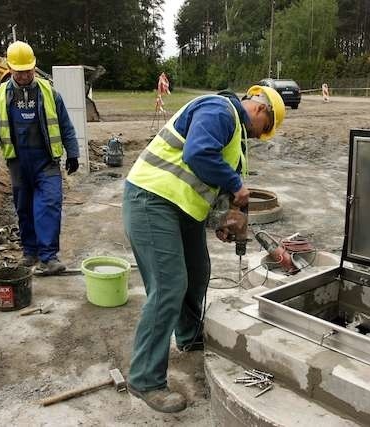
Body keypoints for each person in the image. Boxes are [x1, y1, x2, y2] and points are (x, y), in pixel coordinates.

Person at [122, 85, 285, 413]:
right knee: (169, 286)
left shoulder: (234, 135)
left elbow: (202, 182)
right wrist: (237, 186)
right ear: (261, 110)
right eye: (261, 132)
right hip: (151, 200)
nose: (256, 137)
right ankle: (144, 378)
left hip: (180, 209)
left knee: (198, 273)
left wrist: (221, 220)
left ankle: (190, 336)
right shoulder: (220, 109)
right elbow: (197, 154)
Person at [0, 41, 79, 275]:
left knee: (49, 205)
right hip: (18, 163)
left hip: (46, 161)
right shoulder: (1, 96)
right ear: (10, 69)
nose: (24, 75)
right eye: (19, 71)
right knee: (24, 208)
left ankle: (48, 257)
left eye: (28, 70)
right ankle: (30, 252)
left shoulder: (49, 92)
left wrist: (73, 153)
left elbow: (65, 125)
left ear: (34, 67)